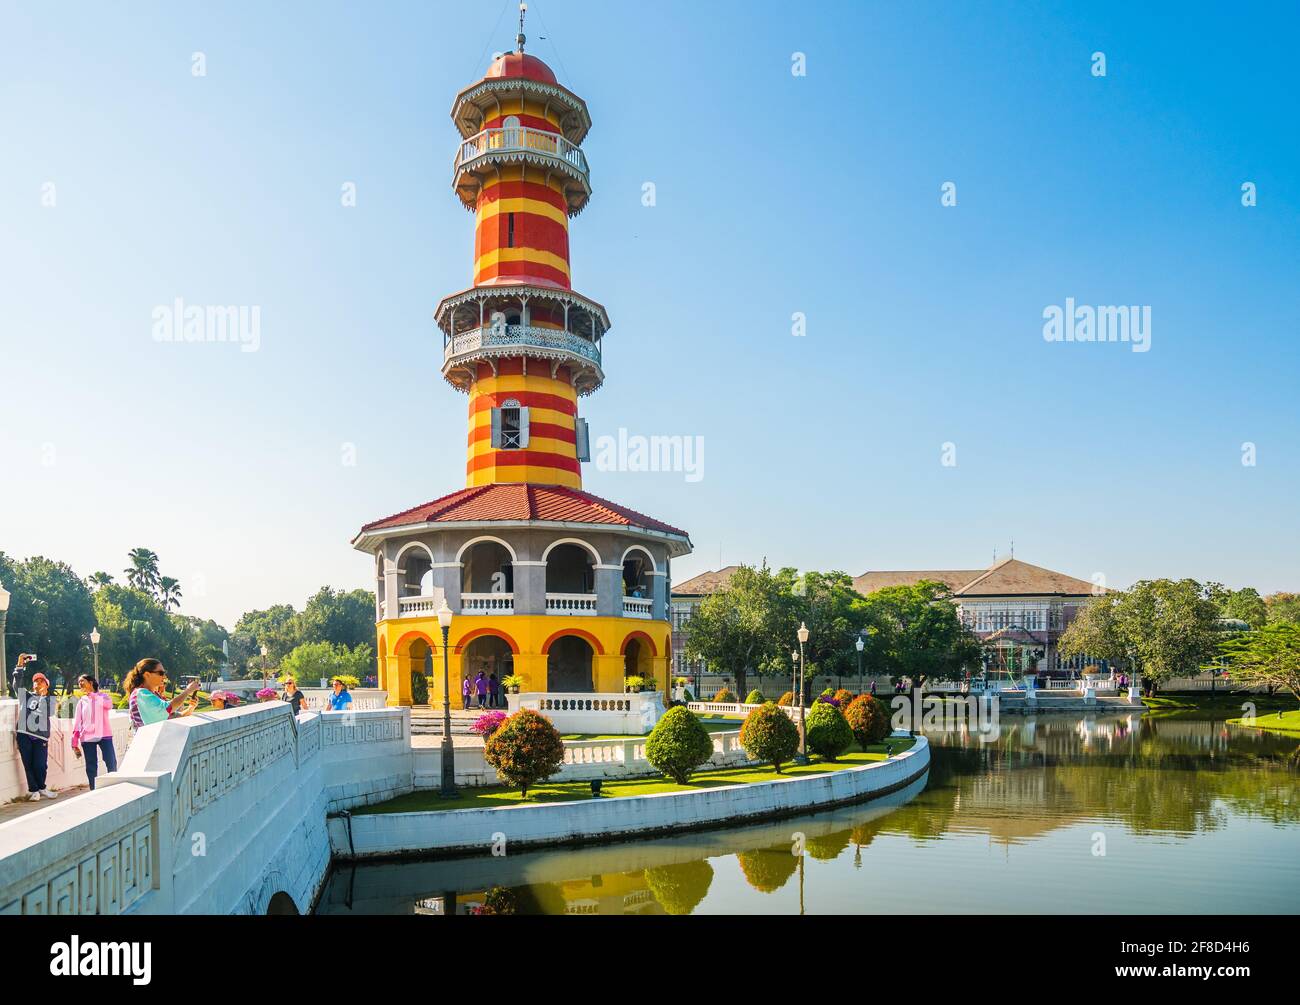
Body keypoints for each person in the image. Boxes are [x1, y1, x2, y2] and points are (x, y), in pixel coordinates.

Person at [14, 665, 59, 800]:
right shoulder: (26, 696)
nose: (38, 683)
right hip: (24, 734)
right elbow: (17, 685)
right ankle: (34, 791)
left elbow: (47, 712)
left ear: (47, 685)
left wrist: (41, 697)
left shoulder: (50, 700)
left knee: (40, 765)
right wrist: (20, 667)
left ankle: (42, 788)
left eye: (41, 681)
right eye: (35, 681)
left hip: (40, 737)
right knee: (28, 764)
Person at [124, 658, 201, 730]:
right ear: (147, 675)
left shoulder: (152, 695)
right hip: (146, 743)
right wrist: (188, 691)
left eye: (164, 673)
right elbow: (167, 709)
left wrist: (190, 708)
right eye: (161, 673)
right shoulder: (140, 694)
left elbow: (174, 716)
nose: (164, 677)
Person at [70, 675, 117, 791]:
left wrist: (93, 695)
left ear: (91, 683)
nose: (80, 683)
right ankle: (93, 789)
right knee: (91, 765)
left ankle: (115, 786)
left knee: (110, 761)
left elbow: (109, 705)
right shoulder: (81, 701)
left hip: (104, 734)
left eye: (82, 681)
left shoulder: (103, 696)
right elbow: (77, 721)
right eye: (78, 682)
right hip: (87, 736)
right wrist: (74, 741)